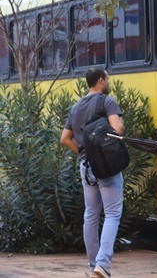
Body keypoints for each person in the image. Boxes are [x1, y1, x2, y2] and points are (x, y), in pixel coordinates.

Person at [61, 68, 125, 278]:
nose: (108, 82)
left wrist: (83, 152)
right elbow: (118, 129)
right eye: (107, 79)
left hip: (85, 167)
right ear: (100, 81)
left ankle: (92, 267)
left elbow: (65, 138)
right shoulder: (107, 101)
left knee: (91, 214)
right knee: (113, 213)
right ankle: (102, 264)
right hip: (105, 166)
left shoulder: (76, 107)